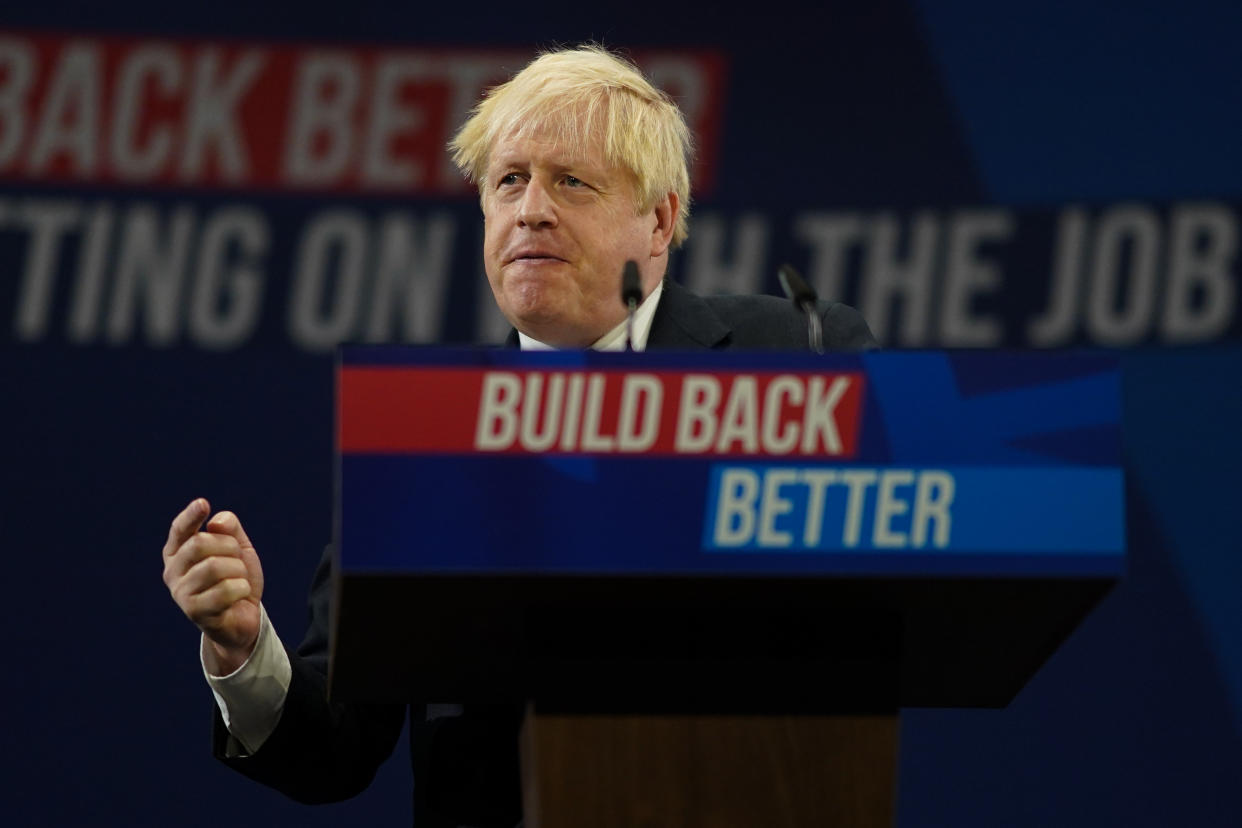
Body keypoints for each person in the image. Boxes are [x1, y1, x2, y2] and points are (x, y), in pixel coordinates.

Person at [161, 45, 876, 828]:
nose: (531, 208)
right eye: (509, 181)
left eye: (570, 181)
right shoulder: (423, 442)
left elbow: (879, 582)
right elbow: (336, 748)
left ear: (661, 218)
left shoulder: (797, 357)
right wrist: (241, 647)